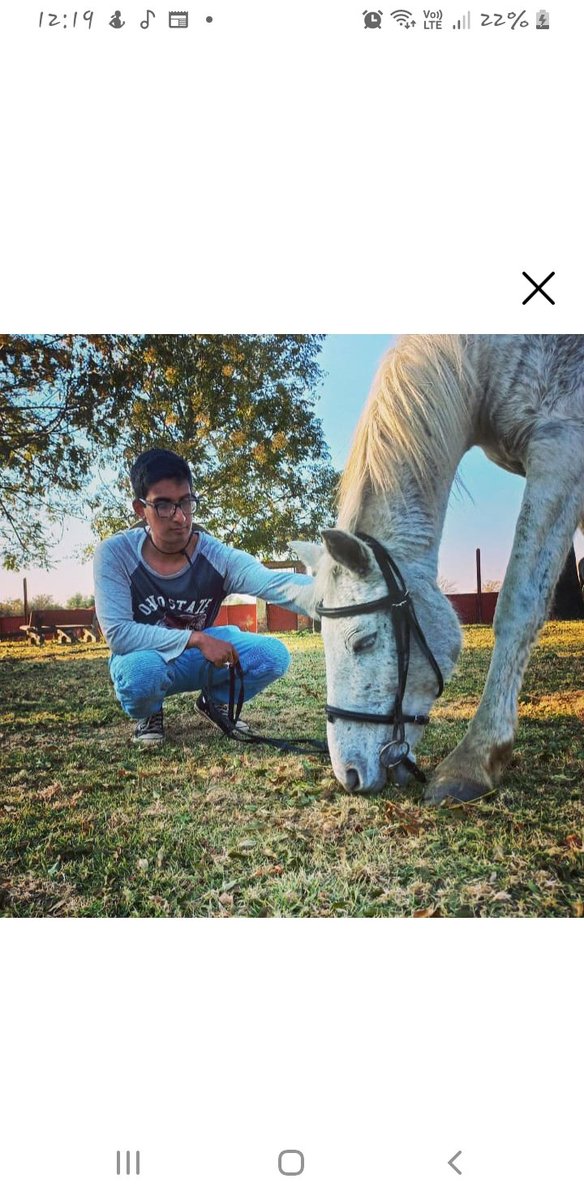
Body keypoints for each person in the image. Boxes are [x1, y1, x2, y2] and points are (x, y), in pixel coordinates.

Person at [93, 448, 314, 747]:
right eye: (163, 506)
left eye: (185, 501)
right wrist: (196, 639)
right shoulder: (115, 553)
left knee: (272, 656)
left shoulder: (215, 555)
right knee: (142, 673)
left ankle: (213, 703)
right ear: (139, 508)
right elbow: (119, 635)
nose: (180, 517)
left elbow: (272, 582)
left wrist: (332, 594)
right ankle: (150, 712)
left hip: (198, 655)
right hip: (146, 655)